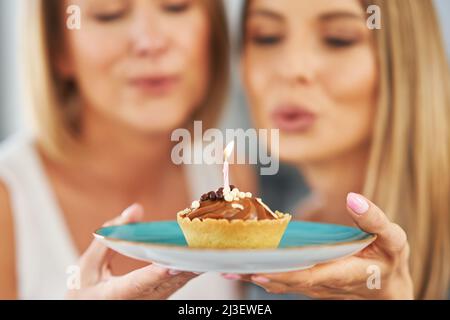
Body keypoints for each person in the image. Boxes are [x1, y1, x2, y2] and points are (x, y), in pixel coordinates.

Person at [0, 0, 254, 299]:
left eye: (176, 6)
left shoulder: (226, 171)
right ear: (58, 49)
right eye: (109, 14)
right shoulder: (9, 198)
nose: (150, 42)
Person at [234, 0, 449, 299]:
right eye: (267, 36)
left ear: (406, 60)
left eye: (338, 39)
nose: (292, 68)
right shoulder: (272, 246)